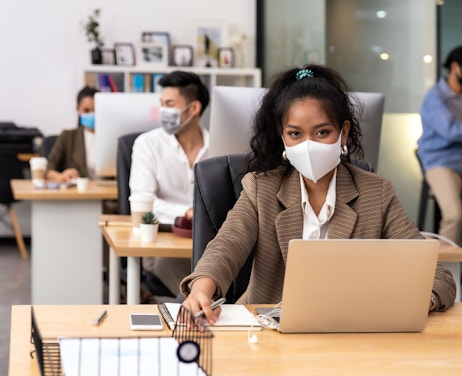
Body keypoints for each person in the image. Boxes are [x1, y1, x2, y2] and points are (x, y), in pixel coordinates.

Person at [181, 64, 457, 323]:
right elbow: (226, 246)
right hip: (265, 331)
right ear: (282, 138)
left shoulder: (377, 192)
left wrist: (421, 300)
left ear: (343, 133)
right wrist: (203, 289)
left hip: (347, 332)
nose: (308, 145)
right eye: (295, 134)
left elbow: (436, 276)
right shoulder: (260, 187)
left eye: (322, 132)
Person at [129, 71, 210, 298]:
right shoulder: (147, 144)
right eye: (161, 104)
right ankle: (199, 317)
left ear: (193, 109)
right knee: (178, 273)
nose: (163, 110)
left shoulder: (219, 145)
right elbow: (143, 202)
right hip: (162, 243)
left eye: (170, 104)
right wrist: (185, 211)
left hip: (207, 242)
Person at [417, 45, 462, 245]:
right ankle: (444, 270)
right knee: (454, 215)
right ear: (455, 67)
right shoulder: (435, 97)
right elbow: (451, 131)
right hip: (441, 162)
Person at [46, 86, 98, 182]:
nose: (92, 114)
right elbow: (48, 169)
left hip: (109, 193)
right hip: (80, 194)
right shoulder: (67, 137)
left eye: (95, 110)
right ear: (78, 109)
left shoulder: (114, 139)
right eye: (86, 110)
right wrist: (61, 176)